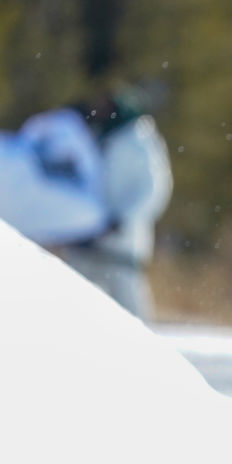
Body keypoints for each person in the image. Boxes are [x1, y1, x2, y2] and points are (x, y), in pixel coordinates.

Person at [0, 89, 172, 319]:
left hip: (121, 246)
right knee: (74, 306)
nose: (100, 111)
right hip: (87, 242)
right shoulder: (97, 136)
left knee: (131, 313)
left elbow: (153, 191)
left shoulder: (138, 143)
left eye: (107, 107)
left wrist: (122, 220)